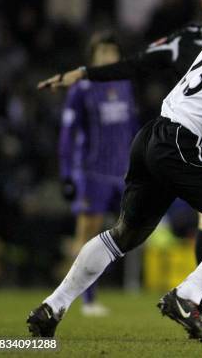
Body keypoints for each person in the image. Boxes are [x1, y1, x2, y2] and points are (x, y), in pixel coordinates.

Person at [27, 0, 202, 342]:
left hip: (153, 134)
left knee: (124, 234)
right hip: (185, 144)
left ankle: (51, 307)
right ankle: (187, 297)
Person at [58, 31, 137, 317]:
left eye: (112, 52)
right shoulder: (82, 87)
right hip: (91, 173)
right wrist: (67, 173)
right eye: (102, 52)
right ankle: (86, 300)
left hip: (121, 173)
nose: (107, 57)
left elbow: (131, 128)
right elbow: (68, 133)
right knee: (87, 235)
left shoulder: (124, 84)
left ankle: (105, 289)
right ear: (92, 57)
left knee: (123, 233)